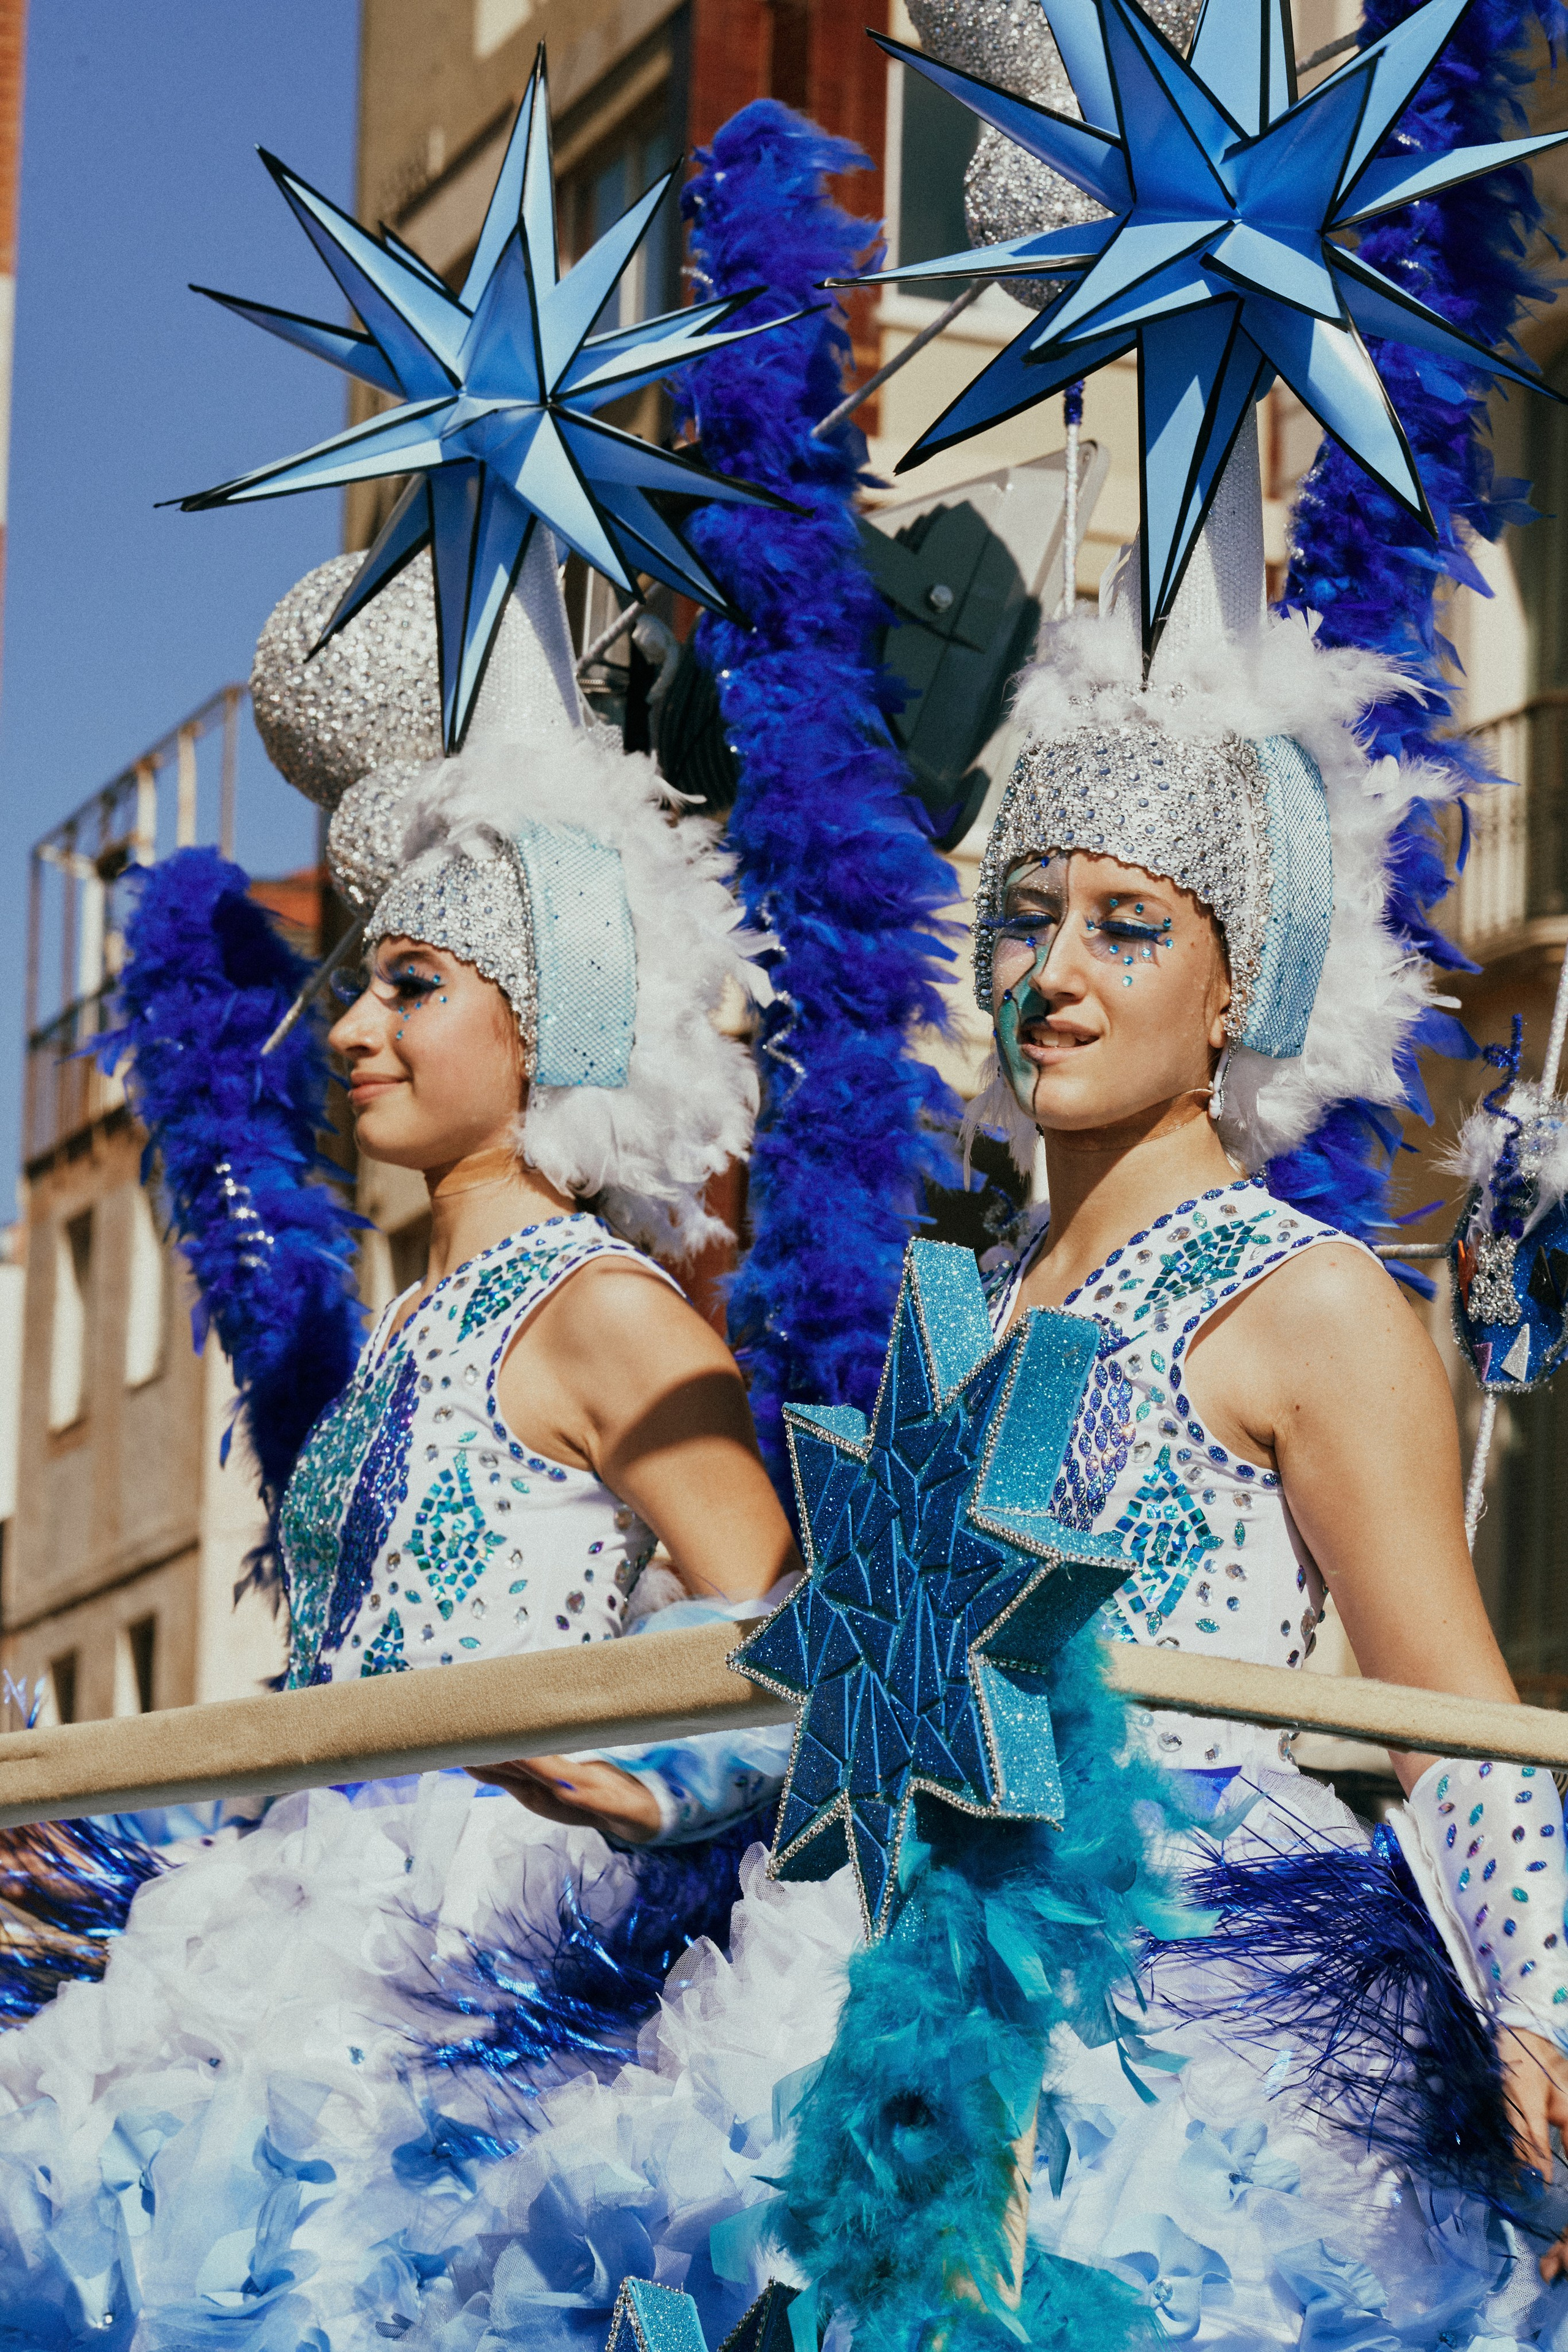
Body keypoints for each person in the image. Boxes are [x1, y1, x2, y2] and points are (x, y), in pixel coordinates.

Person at [0, 541, 807, 2341]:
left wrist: (629, 1784)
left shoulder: (604, 1311)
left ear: (544, 1026)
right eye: (361, 982)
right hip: (295, 1902)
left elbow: (790, 1638)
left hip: (463, 1953)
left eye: (412, 984)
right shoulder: (415, 1329)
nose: (351, 1025)